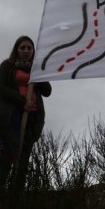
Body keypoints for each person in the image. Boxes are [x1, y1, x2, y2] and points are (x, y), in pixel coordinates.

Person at [0, 36, 52, 195]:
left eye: (29, 48)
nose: (26, 51)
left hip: (33, 117)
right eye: (22, 47)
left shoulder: (36, 69)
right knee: (8, 155)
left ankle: (17, 196)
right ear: (16, 49)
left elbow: (47, 92)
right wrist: (22, 102)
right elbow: (1, 88)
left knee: (23, 159)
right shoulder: (7, 66)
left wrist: (39, 73)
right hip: (12, 116)